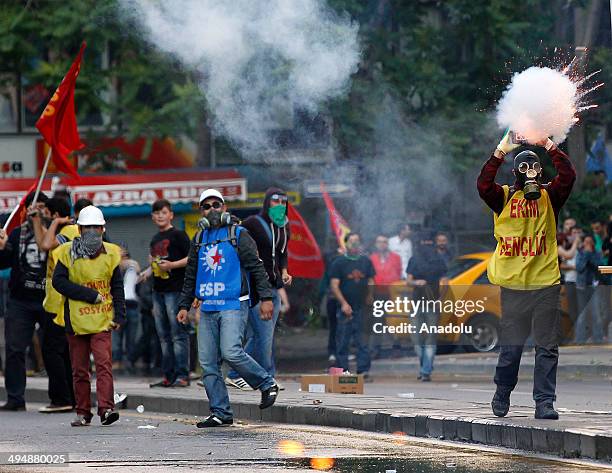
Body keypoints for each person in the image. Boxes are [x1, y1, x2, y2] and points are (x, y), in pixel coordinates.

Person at [477, 130, 575, 420]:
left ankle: (544, 402)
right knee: (511, 349)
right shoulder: (503, 197)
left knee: (547, 347)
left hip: (545, 283)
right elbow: (483, 185)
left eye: (535, 166)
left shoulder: (550, 196)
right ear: (516, 173)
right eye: (524, 167)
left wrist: (546, 144)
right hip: (514, 287)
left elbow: (568, 175)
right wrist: (500, 151)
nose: (530, 171)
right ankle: (502, 391)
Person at [177, 189, 279, 428]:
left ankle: (266, 383)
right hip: (209, 307)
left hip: (234, 303)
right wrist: (184, 304)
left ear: (224, 207)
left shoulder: (239, 234)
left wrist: (266, 298)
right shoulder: (199, 238)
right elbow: (191, 273)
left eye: (216, 205)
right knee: (208, 362)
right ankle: (221, 412)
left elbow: (256, 267)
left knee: (232, 352)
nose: (212, 210)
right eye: (206, 206)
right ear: (201, 211)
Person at [52, 205, 125, 427]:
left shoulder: (112, 253)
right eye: (87, 228)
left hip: (102, 318)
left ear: (103, 229)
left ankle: (106, 409)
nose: (92, 231)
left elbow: (117, 285)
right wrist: (89, 295)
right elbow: (59, 282)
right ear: (79, 230)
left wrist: (119, 315)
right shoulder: (66, 252)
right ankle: (83, 412)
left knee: (104, 365)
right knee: (80, 369)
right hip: (76, 320)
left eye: (96, 227)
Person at [226, 188, 291, 391]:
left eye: (283, 202)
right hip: (256, 288)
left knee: (261, 335)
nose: (279, 205)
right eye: (275, 201)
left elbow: (282, 253)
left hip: (274, 287)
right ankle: (266, 377)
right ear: (267, 203)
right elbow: (239, 245)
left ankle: (236, 373)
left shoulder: (284, 226)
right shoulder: (253, 223)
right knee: (263, 335)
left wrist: (285, 271)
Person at [0, 192, 54, 412]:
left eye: (41, 206)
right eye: (33, 207)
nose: (37, 211)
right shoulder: (16, 234)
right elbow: (3, 263)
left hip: (49, 298)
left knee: (54, 349)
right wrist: (2, 247)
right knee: (14, 349)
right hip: (20, 300)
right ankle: (15, 397)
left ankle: (60, 397)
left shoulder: (56, 233)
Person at [30, 196, 77, 413]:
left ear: (56, 215)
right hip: (56, 299)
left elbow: (47, 244)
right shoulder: (65, 231)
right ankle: (71, 397)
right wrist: (36, 221)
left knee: (53, 349)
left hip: (61, 301)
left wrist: (56, 223)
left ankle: (61, 398)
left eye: (47, 213)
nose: (45, 216)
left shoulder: (68, 232)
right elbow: (42, 245)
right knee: (63, 350)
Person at [148, 199, 191, 388]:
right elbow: (154, 262)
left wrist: (172, 265)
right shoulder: (154, 239)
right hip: (158, 290)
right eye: (156, 213)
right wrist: (145, 272)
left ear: (171, 215)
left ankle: (182, 375)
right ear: (152, 217)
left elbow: (193, 258)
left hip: (175, 290)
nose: (160, 216)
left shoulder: (179, 235)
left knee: (178, 334)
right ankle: (168, 375)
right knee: (163, 336)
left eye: (163, 212)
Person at [329, 232, 375, 377]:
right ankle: (343, 371)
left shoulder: (366, 261)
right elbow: (334, 285)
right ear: (346, 244)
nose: (354, 244)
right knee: (343, 340)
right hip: (345, 308)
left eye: (357, 241)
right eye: (352, 241)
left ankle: (363, 370)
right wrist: (344, 303)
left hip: (361, 307)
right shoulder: (339, 262)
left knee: (362, 339)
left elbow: (370, 280)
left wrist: (370, 295)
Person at [405, 231, 448, 382]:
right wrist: (417, 283)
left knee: (429, 339)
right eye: (424, 243)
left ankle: (425, 370)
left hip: (432, 304)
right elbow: (408, 280)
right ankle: (425, 367)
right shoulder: (414, 260)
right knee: (417, 339)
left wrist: (440, 299)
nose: (426, 245)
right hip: (417, 304)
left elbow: (445, 282)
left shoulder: (438, 260)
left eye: (429, 243)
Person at [112, 243, 141, 371]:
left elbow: (138, 271)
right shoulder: (113, 266)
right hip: (118, 304)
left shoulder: (132, 265)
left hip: (132, 304)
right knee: (117, 335)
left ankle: (130, 361)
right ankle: (117, 360)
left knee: (131, 336)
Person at [574, 235, 604, 344]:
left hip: (593, 286)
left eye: (589, 242)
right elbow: (579, 268)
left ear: (592, 243)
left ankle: (598, 338)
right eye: (585, 242)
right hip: (581, 287)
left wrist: (591, 255)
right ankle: (579, 339)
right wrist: (586, 254)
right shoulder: (581, 253)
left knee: (596, 314)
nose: (587, 244)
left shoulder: (597, 253)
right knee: (582, 314)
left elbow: (600, 266)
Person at [558, 226, 581, 325]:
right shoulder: (563, 248)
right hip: (570, 281)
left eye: (578, 232)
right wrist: (575, 267)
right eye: (574, 232)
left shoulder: (586, 246)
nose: (576, 235)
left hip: (583, 281)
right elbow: (564, 261)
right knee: (572, 307)